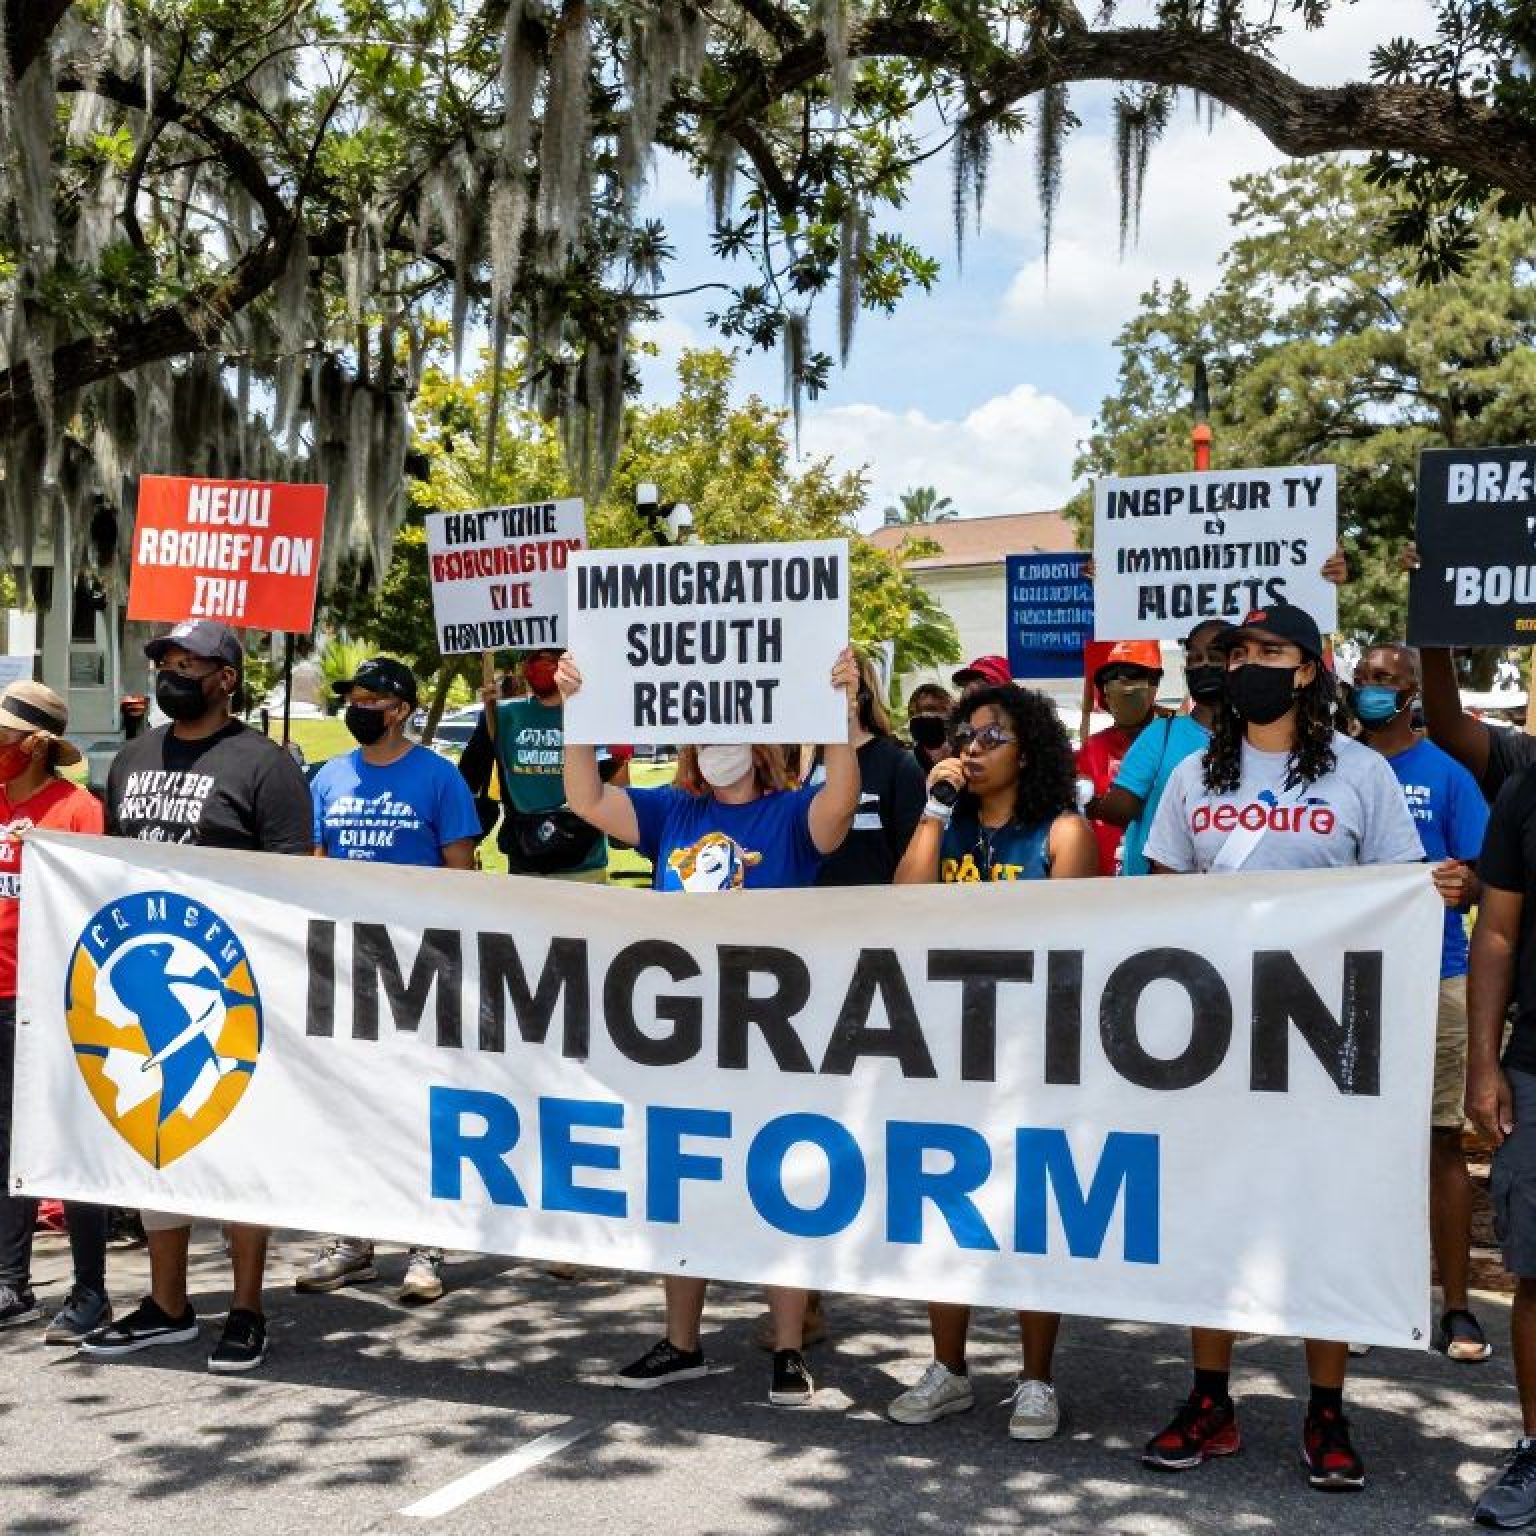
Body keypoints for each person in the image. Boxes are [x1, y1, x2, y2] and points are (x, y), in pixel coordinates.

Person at [1140, 604, 1423, 1492]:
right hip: (1213, 1040)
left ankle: (1326, 1406)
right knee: (1209, 1212)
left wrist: (1436, 888)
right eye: (1239, 653)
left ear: (1309, 669)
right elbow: (1162, 894)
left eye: (1270, 652)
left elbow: (1399, 891)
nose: (1250, 665)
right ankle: (1209, 1398)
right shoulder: (1192, 774)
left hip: (1326, 1039)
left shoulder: (1361, 774)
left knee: (1320, 1216)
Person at [557, 646, 860, 1407]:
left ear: (763, 742)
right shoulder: (671, 811)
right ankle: (681, 1340)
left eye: (732, 729)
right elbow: (587, 801)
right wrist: (578, 713)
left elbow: (841, 805)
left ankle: (788, 1348)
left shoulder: (792, 815)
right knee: (683, 1183)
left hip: (778, 1036)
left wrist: (838, 714)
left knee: (784, 1182)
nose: (715, 743)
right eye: (704, 731)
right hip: (686, 1037)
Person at [81, 620, 312, 1374]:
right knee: (158, 1140)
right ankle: (168, 1306)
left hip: (231, 986)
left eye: (191, 663)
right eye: (167, 662)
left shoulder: (265, 764)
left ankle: (246, 1309)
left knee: (240, 1149)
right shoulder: (134, 757)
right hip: (142, 972)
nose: (174, 673)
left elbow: (292, 882)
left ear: (227, 679)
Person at [886, 683, 1096, 1439]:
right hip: (947, 1049)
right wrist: (933, 813)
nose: (969, 749)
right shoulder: (947, 825)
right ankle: (950, 1368)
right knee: (947, 1204)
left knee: (1033, 1214)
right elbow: (904, 906)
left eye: (989, 737)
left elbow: (1071, 949)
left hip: (1033, 1052)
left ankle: (1036, 1378)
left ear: (1029, 751)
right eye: (962, 736)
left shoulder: (1062, 832)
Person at [294, 656, 482, 1305]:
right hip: (349, 967)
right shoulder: (329, 777)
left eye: (373, 697)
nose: (360, 706)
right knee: (352, 1105)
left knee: (418, 1105)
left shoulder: (439, 778)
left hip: (423, 967)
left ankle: (425, 1243)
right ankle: (353, 1240)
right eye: (355, 696)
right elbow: (318, 867)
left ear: (401, 708)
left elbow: (464, 874)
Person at [1352, 642, 1492, 1361]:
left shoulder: (1448, 775)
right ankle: (1367, 1294)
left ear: (1412, 692)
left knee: (1440, 1140)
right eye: (1363, 678)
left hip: (1436, 974)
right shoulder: (1333, 768)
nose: (1372, 688)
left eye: (1386, 680)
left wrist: (1463, 888)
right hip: (1349, 980)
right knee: (1357, 1141)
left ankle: (1458, 1308)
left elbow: (1482, 877)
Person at [0, 682, 110, 1343]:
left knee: (65, 1145)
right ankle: (11, 1283)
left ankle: (91, 1289)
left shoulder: (77, 809)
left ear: (37, 745)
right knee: (2, 1144)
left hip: (45, 999)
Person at [1467, 753, 1536, 1528]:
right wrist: (1485, 1062)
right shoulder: (1527, 787)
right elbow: (1497, 934)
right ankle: (1535, 1447)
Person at [458, 648, 617, 880]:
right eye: (534, 658)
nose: (541, 665)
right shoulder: (502, 715)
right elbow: (469, 775)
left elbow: (613, 784)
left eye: (550, 658)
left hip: (582, 861)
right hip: (525, 860)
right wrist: (490, 708)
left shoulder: (592, 716)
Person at [1091, 621, 1230, 877]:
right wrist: (1089, 801)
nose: (1203, 665)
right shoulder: (1160, 734)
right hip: (1155, 886)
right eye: (1194, 658)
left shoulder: (1257, 738)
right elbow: (1121, 809)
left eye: (1215, 657)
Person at [1077, 640, 1167, 875]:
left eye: (1132, 674)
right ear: (1103, 691)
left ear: (1154, 684)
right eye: (1113, 676)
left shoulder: (1172, 741)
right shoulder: (1090, 751)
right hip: (1101, 887)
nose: (1122, 682)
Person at [906, 682, 955, 777]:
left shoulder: (963, 755)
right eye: (920, 711)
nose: (926, 716)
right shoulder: (907, 763)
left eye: (932, 710)